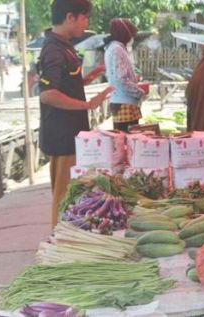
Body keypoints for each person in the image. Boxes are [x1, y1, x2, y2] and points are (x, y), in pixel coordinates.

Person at [38, 0, 112, 227]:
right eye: (84, 17)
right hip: (62, 135)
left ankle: (66, 235)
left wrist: (90, 76)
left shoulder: (65, 46)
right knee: (64, 196)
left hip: (71, 133)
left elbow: (64, 84)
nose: (86, 22)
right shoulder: (53, 49)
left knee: (72, 193)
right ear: (70, 17)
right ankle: (59, 241)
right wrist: (88, 105)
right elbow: (48, 94)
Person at [103, 18, 146, 133]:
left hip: (121, 102)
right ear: (124, 34)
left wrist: (133, 79)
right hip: (125, 104)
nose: (132, 38)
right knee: (128, 142)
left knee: (123, 141)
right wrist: (139, 92)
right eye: (131, 34)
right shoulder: (117, 49)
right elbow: (121, 79)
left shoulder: (113, 48)